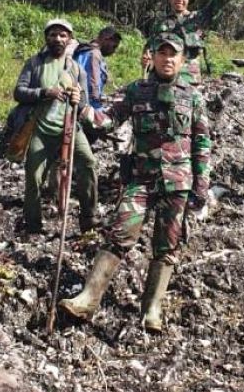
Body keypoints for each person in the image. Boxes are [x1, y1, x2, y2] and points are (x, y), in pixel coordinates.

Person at [59, 33, 211, 333]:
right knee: (120, 232)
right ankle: (88, 299)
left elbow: (202, 142)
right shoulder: (137, 91)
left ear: (182, 60)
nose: (168, 59)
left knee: (166, 246)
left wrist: (201, 186)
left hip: (177, 182)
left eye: (174, 55)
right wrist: (82, 107)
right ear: (152, 57)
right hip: (141, 179)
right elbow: (109, 119)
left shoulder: (192, 96)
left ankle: (151, 310)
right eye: (162, 53)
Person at [12, 19, 100, 234]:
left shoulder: (76, 69)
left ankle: (88, 218)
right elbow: (19, 92)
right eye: (53, 35)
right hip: (40, 129)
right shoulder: (34, 64)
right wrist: (44, 93)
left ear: (69, 40)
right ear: (46, 38)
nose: (58, 39)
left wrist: (79, 99)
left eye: (63, 35)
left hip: (69, 128)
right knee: (33, 175)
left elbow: (85, 105)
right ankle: (32, 224)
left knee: (88, 163)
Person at [140, 0, 244, 84]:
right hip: (161, 78)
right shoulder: (159, 23)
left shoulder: (199, 18)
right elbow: (148, 48)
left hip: (188, 79)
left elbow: (219, 1)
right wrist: (146, 59)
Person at [73, 26, 122, 115]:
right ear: (106, 39)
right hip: (86, 106)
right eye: (114, 46)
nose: (114, 51)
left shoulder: (83, 50)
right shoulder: (95, 54)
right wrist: (107, 100)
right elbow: (93, 88)